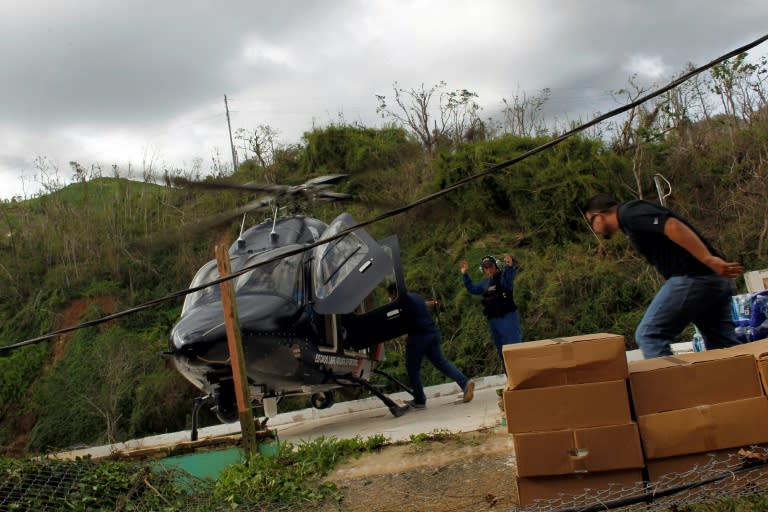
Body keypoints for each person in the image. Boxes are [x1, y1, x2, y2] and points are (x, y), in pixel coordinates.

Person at [583, 193, 744, 358]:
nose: (594, 229)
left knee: (649, 335)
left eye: (591, 222)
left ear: (599, 216)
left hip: (694, 277)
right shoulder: (629, 220)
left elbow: (672, 225)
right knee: (723, 346)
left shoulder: (630, 213)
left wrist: (708, 259)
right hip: (714, 280)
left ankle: (670, 383)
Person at [387, 283, 474, 409]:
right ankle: (465, 383)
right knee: (441, 362)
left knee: (412, 368)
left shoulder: (401, 302)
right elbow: (422, 306)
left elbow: (402, 319)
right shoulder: (415, 296)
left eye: (390, 296)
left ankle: (419, 400)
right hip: (432, 333)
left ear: (394, 293)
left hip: (419, 337)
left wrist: (405, 333)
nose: (389, 299)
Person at [460, 254, 522, 368]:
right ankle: (511, 379)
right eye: (485, 267)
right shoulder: (484, 283)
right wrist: (465, 274)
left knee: (514, 348)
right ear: (482, 269)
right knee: (502, 352)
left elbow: (508, 281)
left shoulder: (503, 277)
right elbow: (473, 289)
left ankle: (522, 375)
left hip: (508, 317)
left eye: (490, 266)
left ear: (496, 265)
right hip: (494, 321)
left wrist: (509, 265)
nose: (488, 269)